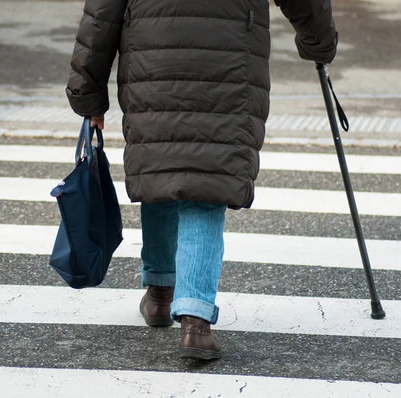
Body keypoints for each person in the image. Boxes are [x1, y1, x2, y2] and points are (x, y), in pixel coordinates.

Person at [66, 0, 338, 360]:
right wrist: (319, 42)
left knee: (160, 171)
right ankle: (195, 321)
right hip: (229, 64)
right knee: (208, 181)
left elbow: (102, 13)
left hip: (153, 59)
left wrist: (88, 89)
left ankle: (161, 292)